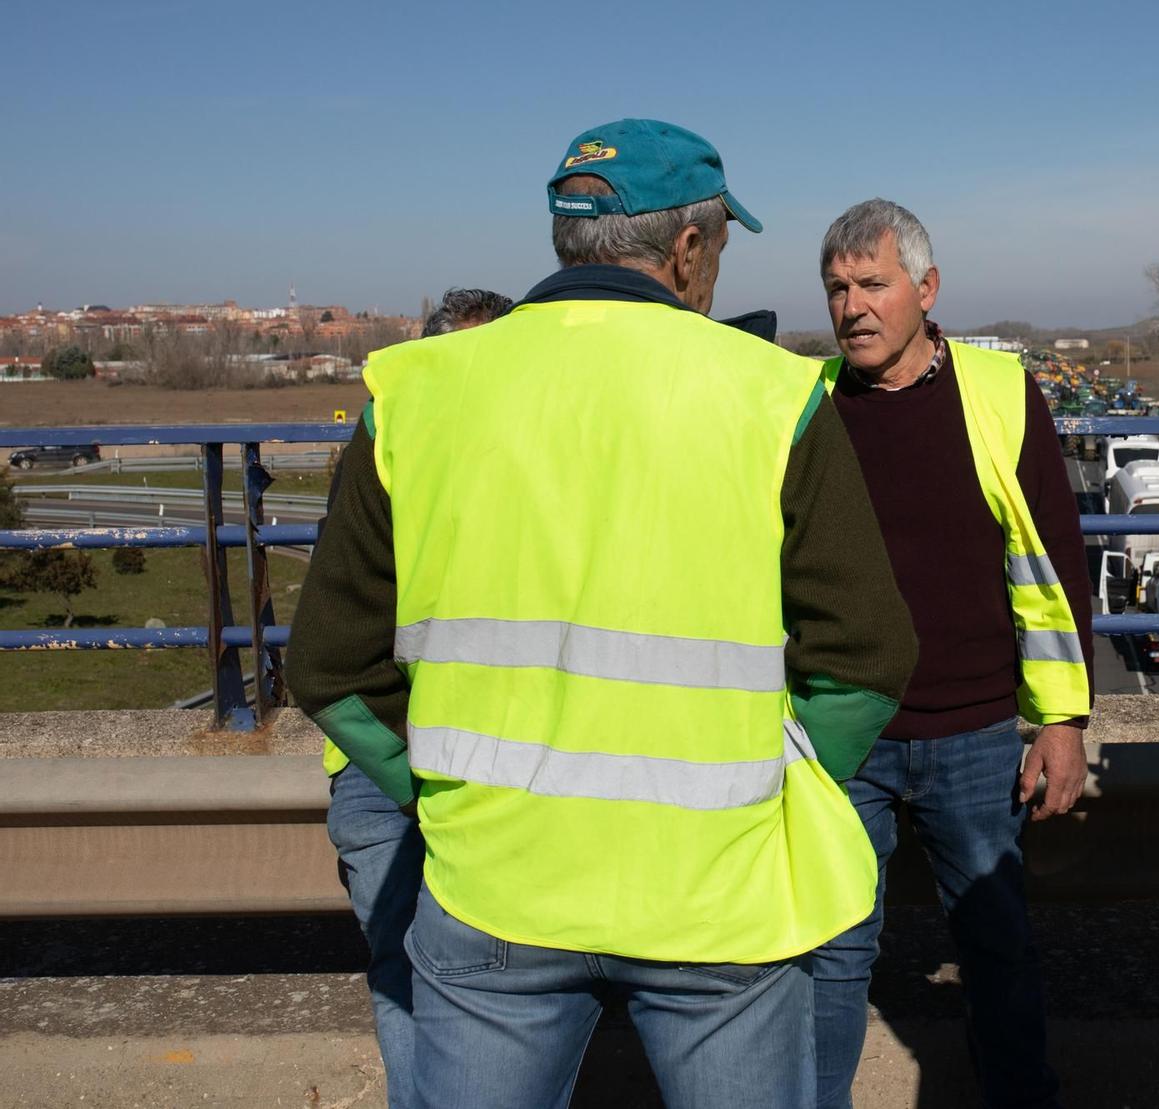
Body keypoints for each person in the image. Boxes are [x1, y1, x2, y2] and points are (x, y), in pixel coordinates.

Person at [288, 120, 918, 1109]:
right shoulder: (772, 395)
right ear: (688, 249)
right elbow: (869, 656)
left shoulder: (415, 395)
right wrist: (774, 786)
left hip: (494, 884)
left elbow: (328, 664)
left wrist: (442, 794)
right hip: (716, 896)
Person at [809, 199, 1093, 1109]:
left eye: (874, 284)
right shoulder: (807, 406)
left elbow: (1052, 562)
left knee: (996, 947)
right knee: (830, 952)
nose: (853, 306)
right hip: (842, 735)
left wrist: (1062, 720)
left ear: (926, 290)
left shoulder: (1001, 392)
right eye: (838, 287)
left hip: (973, 735)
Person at [319, 286, 514, 1109]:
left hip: (404, 755)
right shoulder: (491, 472)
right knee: (447, 980)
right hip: (402, 763)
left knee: (459, 982)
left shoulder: (389, 444)